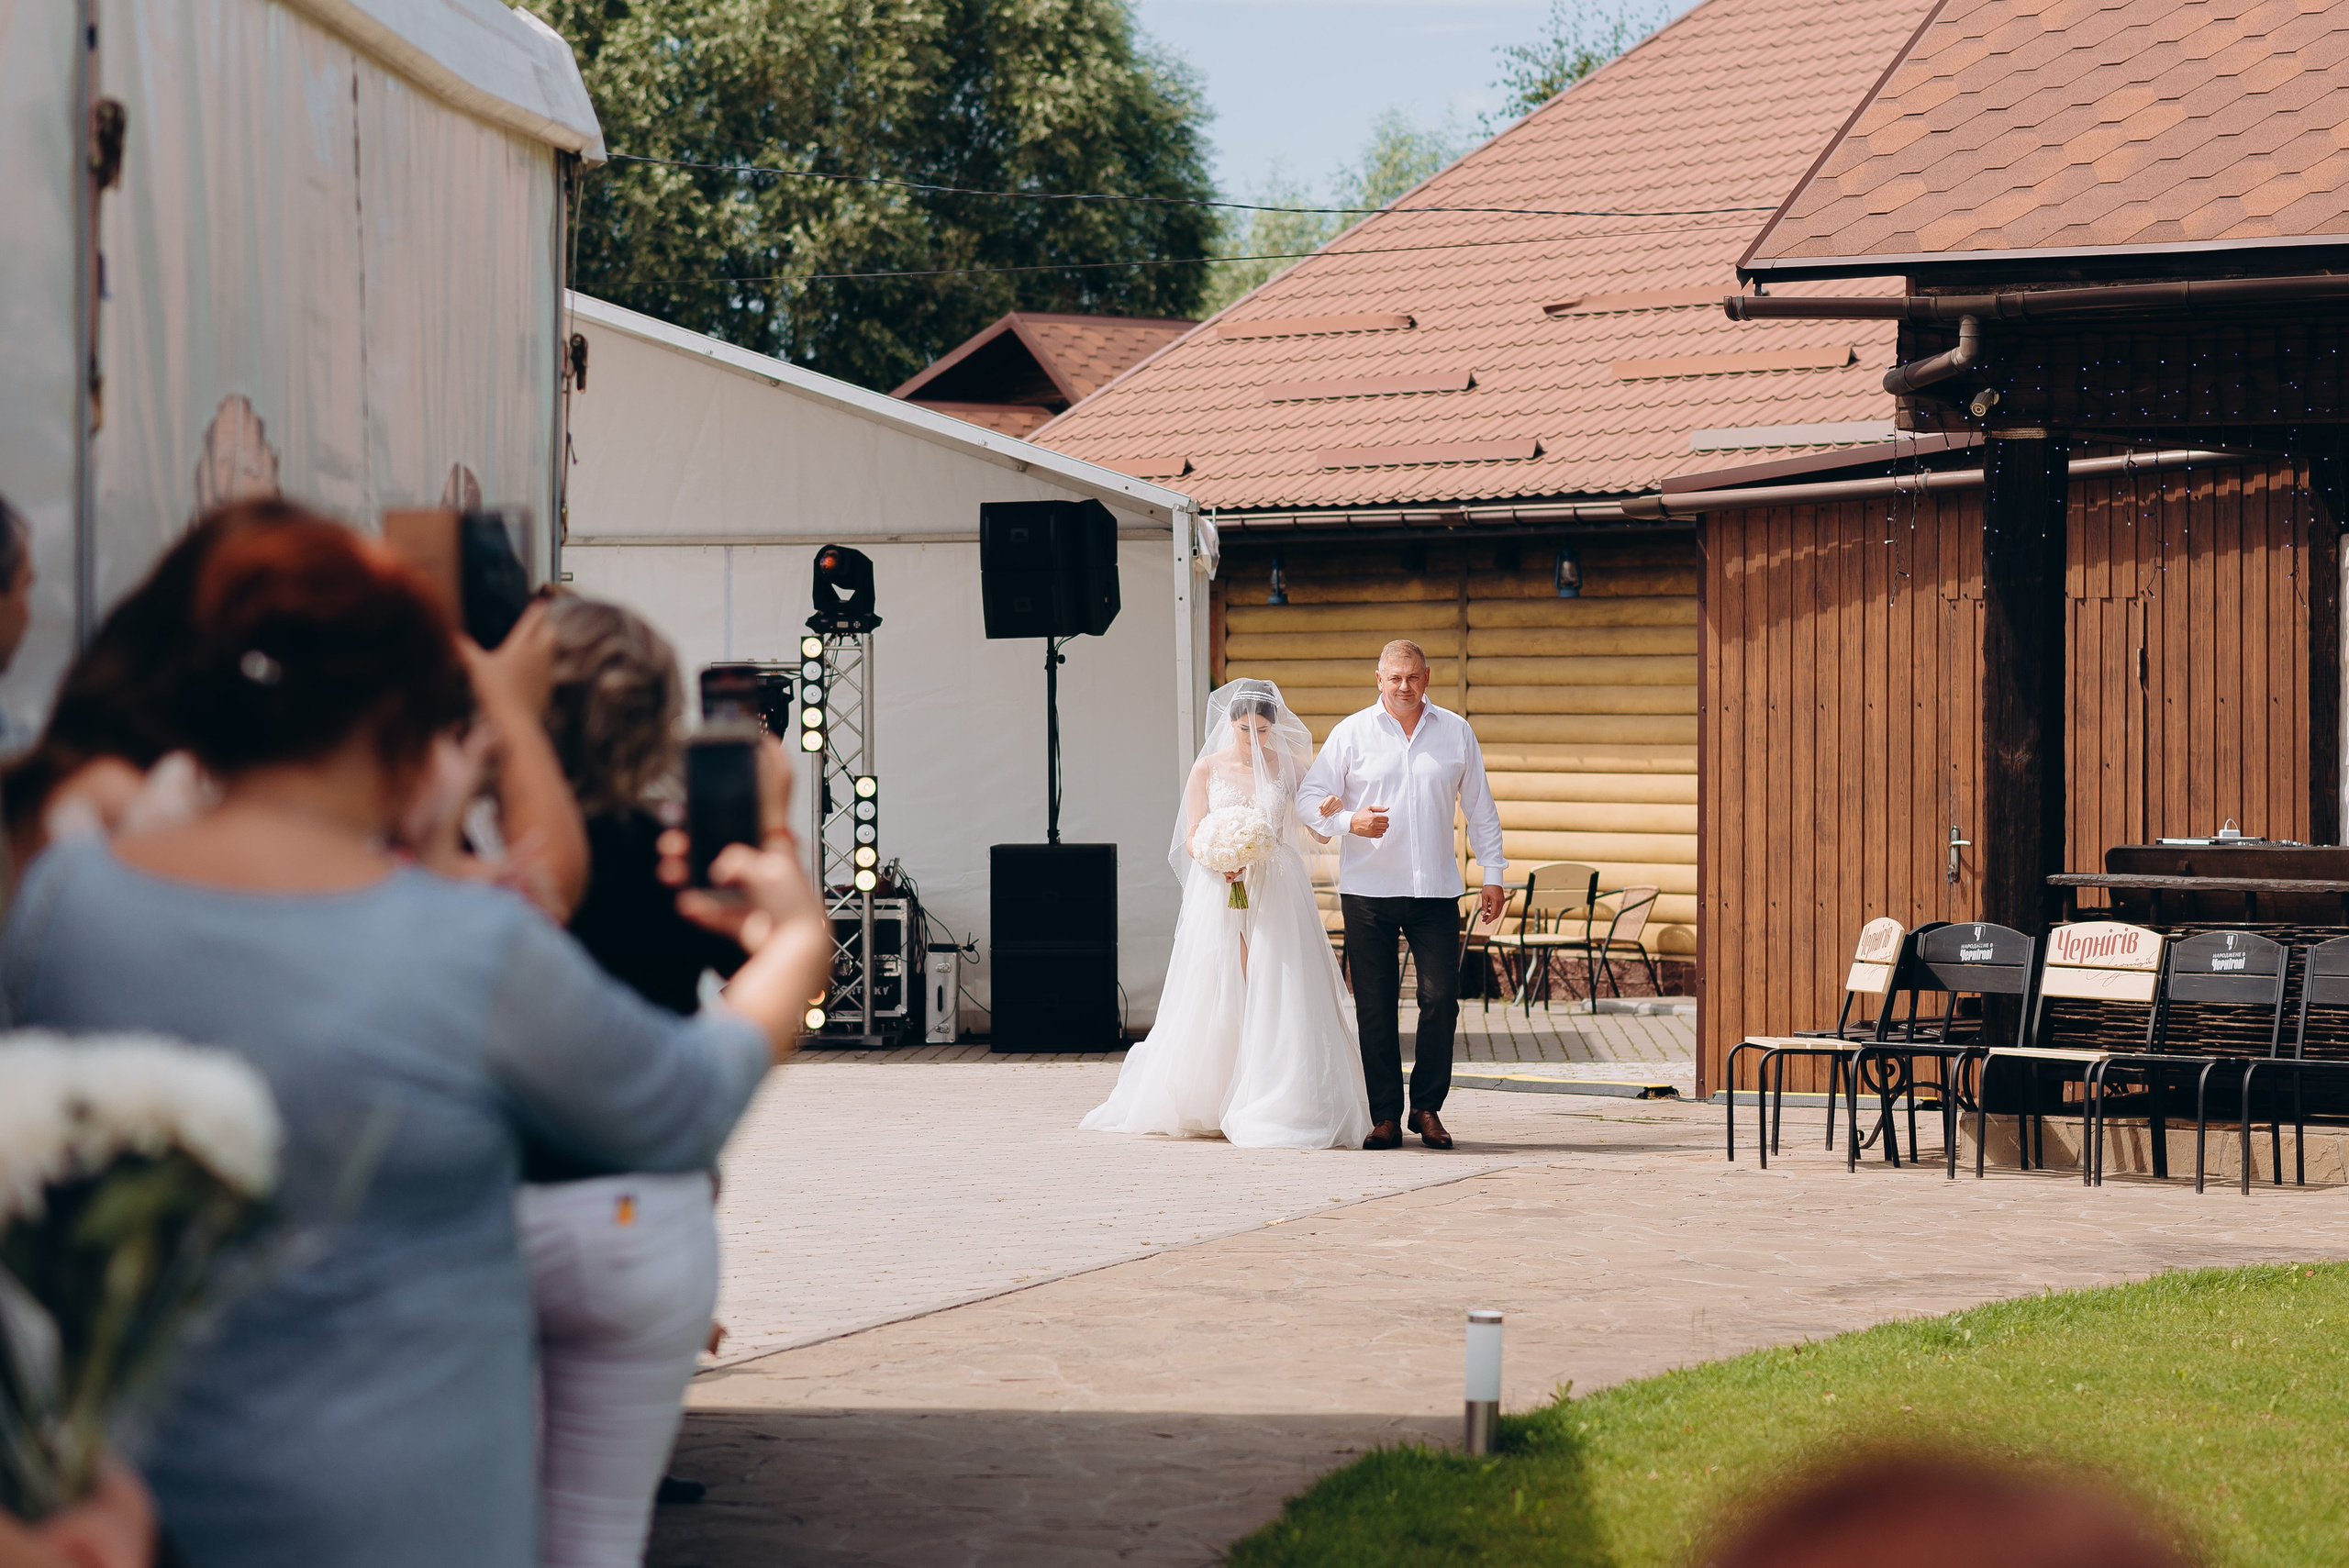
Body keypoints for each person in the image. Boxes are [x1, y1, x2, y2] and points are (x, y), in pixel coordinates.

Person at [0, 502, 830, 1568]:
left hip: (140, 1503)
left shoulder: (65, 900)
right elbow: (676, 1105)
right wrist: (793, 949)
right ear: (399, 717)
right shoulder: (470, 941)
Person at [519, 595, 747, 1566]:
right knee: (600, 1533)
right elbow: (746, 978)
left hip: (498, 1201)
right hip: (638, 1198)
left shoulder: (476, 857)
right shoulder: (669, 852)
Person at [1080, 679, 1371, 1149]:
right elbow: (1191, 835)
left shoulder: (1293, 766)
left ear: (1273, 726)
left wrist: (1331, 810)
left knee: (1279, 982)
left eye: (1261, 730)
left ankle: (1280, 1094)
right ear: (1228, 724)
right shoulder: (1207, 769)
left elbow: (1317, 834)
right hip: (1224, 885)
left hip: (1277, 886)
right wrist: (1220, 856)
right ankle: (1214, 1093)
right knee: (1221, 984)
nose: (1252, 739)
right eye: (1243, 729)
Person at [1295, 639, 1506, 1151]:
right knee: (1375, 1006)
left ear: (1426, 677)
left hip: (1436, 891)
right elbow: (1306, 798)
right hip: (1368, 893)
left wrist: (1494, 872)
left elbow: (1480, 808)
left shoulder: (1456, 731)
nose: (1404, 686)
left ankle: (1427, 1109)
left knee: (1441, 1000)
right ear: (1379, 679)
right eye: (1394, 678)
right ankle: (1385, 1115)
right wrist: (1349, 821)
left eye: (1412, 677)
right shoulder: (1350, 734)